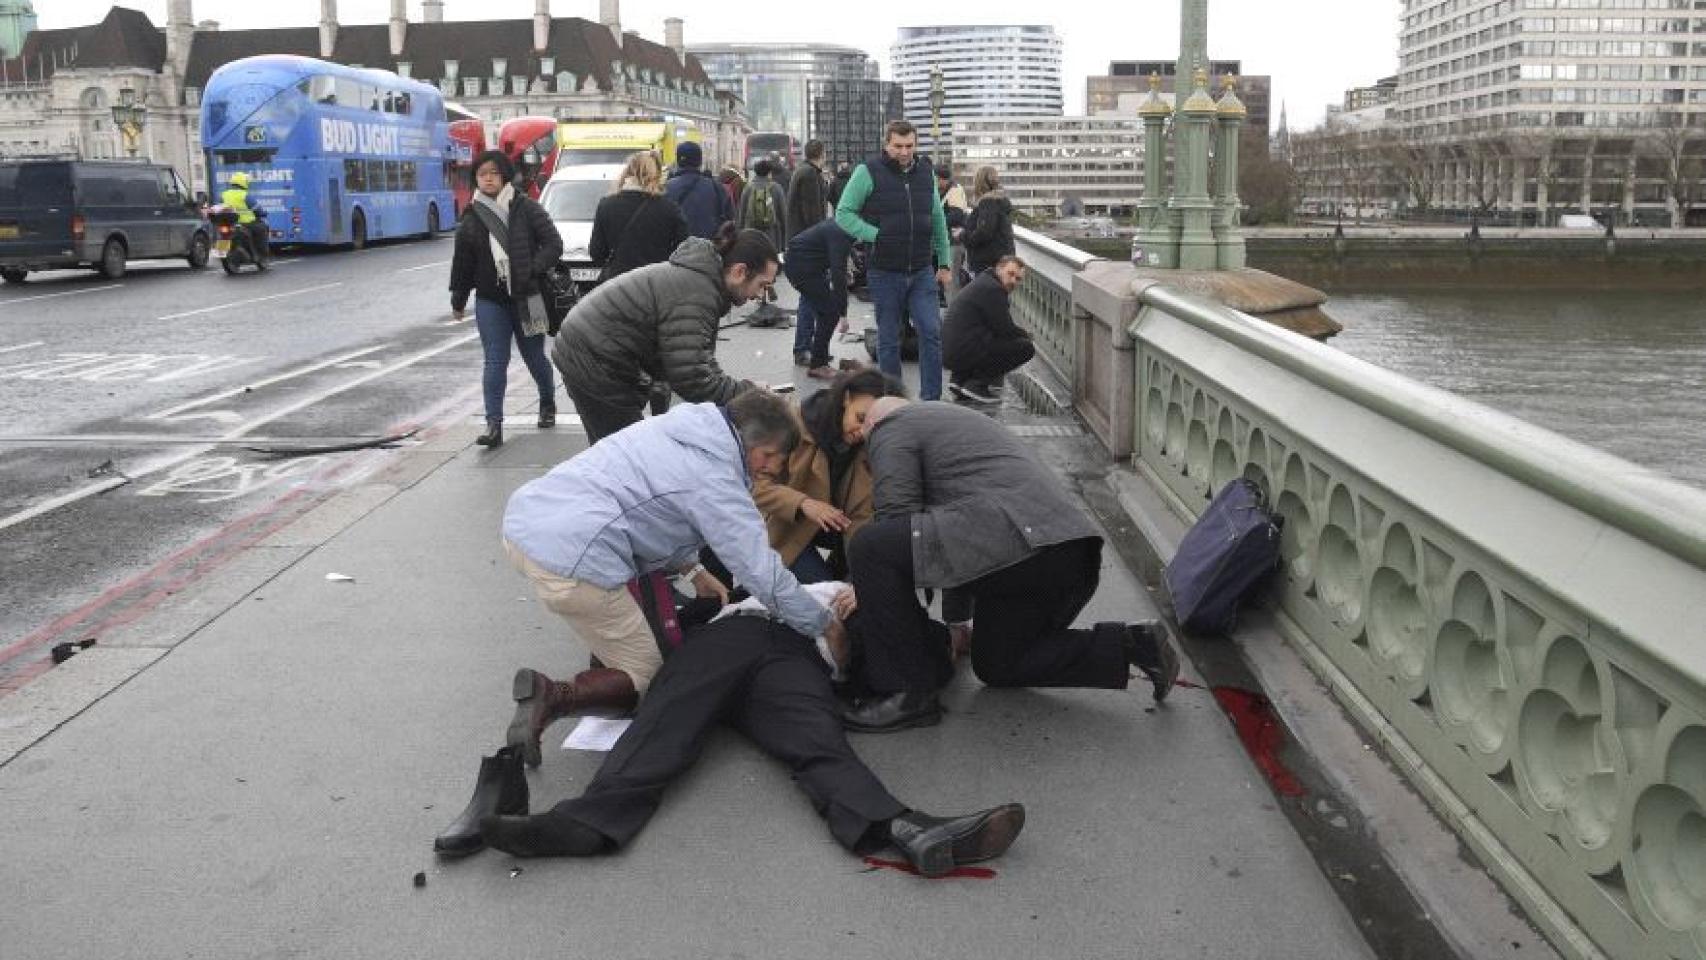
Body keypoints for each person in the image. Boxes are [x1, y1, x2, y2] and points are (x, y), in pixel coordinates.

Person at [476, 588, 1026, 877]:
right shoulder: (838, 586)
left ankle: (905, 829)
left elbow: (905, 661)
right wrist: (854, 610)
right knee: (665, 725)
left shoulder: (893, 644)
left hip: (795, 664)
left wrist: (854, 648)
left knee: (818, 744)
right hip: (739, 634)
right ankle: (583, 824)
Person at [499, 391, 845, 768]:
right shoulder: (716, 479)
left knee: (625, 629)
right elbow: (761, 572)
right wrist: (823, 624)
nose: (771, 472)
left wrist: (693, 570)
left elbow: (655, 505)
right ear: (754, 442)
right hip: (574, 559)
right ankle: (553, 696)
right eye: (770, 458)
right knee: (647, 675)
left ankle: (606, 653)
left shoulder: (684, 428)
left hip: (526, 524)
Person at [840, 398, 1181, 732]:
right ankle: (1132, 644)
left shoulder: (891, 425)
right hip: (1064, 554)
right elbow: (946, 543)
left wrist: (870, 590)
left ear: (873, 422)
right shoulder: (954, 428)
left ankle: (906, 693)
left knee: (871, 545)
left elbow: (896, 519)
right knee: (998, 664)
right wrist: (956, 625)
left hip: (1021, 544)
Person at [552, 226, 776, 444]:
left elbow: (695, 364)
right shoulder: (698, 291)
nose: (759, 296)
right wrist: (750, 393)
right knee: (628, 457)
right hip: (593, 359)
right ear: (739, 272)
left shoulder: (701, 280)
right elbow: (695, 380)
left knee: (619, 453)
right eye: (761, 285)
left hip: (594, 353)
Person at [450, 150, 563, 449]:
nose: (487, 179)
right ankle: (494, 425)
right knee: (495, 360)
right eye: (482, 174)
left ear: (504, 176)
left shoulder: (526, 207)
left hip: (530, 295)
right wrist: (458, 298)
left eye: (493, 173)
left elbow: (554, 244)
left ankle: (548, 402)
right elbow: (463, 261)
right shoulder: (472, 214)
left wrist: (532, 269)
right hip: (490, 299)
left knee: (534, 356)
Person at [834, 120, 952, 401]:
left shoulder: (925, 172)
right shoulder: (867, 171)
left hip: (922, 269)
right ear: (886, 144)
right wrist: (875, 234)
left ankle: (931, 400)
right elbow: (844, 213)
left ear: (915, 144)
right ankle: (893, 400)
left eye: (909, 146)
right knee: (889, 340)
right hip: (885, 272)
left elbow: (936, 218)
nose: (904, 152)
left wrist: (945, 262)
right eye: (897, 146)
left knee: (931, 333)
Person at [753, 368, 907, 583]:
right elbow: (752, 484)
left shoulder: (873, 446)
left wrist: (860, 580)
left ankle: (842, 567)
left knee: (851, 595)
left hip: (839, 529)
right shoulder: (793, 424)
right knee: (821, 598)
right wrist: (803, 503)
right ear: (846, 398)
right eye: (860, 418)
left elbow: (864, 516)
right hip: (786, 525)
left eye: (872, 426)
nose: (862, 432)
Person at [944, 255, 1035, 404]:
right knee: (1025, 348)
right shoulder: (994, 290)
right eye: (1010, 274)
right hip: (961, 351)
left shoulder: (984, 281)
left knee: (987, 337)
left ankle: (959, 380)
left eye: (1018, 279)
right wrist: (1026, 335)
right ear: (999, 269)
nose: (1013, 281)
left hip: (951, 351)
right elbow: (1005, 329)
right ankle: (977, 385)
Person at [589, 151, 689, 283]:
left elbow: (597, 253)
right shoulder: (669, 208)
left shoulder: (607, 205)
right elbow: (684, 250)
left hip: (617, 284)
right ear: (656, 175)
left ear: (628, 172)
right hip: (656, 284)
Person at [782, 218, 853, 378]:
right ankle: (818, 364)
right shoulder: (840, 233)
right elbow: (837, 273)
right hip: (802, 268)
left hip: (808, 264)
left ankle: (815, 355)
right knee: (830, 312)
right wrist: (843, 313)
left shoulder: (841, 225)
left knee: (821, 307)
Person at [663, 141, 734, 240]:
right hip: (709, 250)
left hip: (676, 251)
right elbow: (730, 221)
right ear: (700, 162)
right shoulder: (716, 187)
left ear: (678, 161)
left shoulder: (665, 189)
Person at [962, 166, 1016, 282]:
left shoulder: (988, 202)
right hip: (1001, 260)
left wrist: (965, 237)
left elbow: (985, 231)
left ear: (979, 182)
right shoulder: (999, 201)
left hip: (988, 263)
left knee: (986, 297)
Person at [738, 159, 789, 256]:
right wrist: (783, 244)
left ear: (755, 172)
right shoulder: (776, 188)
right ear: (769, 173)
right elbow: (783, 217)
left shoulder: (748, 188)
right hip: (771, 237)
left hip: (751, 236)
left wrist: (741, 238)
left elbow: (742, 215)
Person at [219, 171, 270, 265]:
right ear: (243, 182)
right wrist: (263, 213)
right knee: (262, 228)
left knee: (221, 235)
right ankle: (262, 256)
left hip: (228, 223)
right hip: (247, 223)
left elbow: (220, 206)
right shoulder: (245, 195)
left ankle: (221, 253)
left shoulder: (224, 194)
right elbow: (257, 208)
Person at [786, 139, 829, 243]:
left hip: (799, 235)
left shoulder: (802, 169)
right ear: (822, 154)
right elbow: (812, 212)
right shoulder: (809, 173)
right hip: (806, 238)